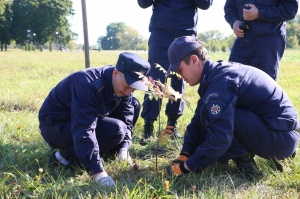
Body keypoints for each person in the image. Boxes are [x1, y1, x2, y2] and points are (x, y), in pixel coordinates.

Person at [164, 36, 299, 180]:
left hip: (281, 139)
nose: (179, 77)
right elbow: (197, 120)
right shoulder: (216, 73)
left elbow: (220, 138)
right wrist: (185, 154)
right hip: (283, 133)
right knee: (207, 112)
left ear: (194, 60)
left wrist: (186, 167)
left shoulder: (220, 83)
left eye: (180, 70)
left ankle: (246, 166)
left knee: (216, 118)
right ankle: (253, 154)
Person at [38, 52, 150, 187]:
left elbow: (127, 116)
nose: (128, 92)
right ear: (115, 73)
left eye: (133, 88)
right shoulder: (87, 83)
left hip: (82, 119)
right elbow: (84, 129)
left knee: (134, 105)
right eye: (127, 86)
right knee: (117, 129)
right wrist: (98, 173)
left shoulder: (122, 85)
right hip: (56, 126)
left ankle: (109, 149)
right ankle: (65, 156)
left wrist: (124, 149)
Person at [137, 0, 213, 145]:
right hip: (160, 33)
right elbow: (143, 3)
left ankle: (172, 125)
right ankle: (148, 127)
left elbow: (205, 4)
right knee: (154, 80)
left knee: (180, 79)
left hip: (185, 33)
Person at [224, 0, 299, 80]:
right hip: (243, 39)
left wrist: (260, 13)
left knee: (263, 84)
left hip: (269, 40)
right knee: (230, 81)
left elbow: (290, 9)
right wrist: (234, 21)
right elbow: (229, 7)